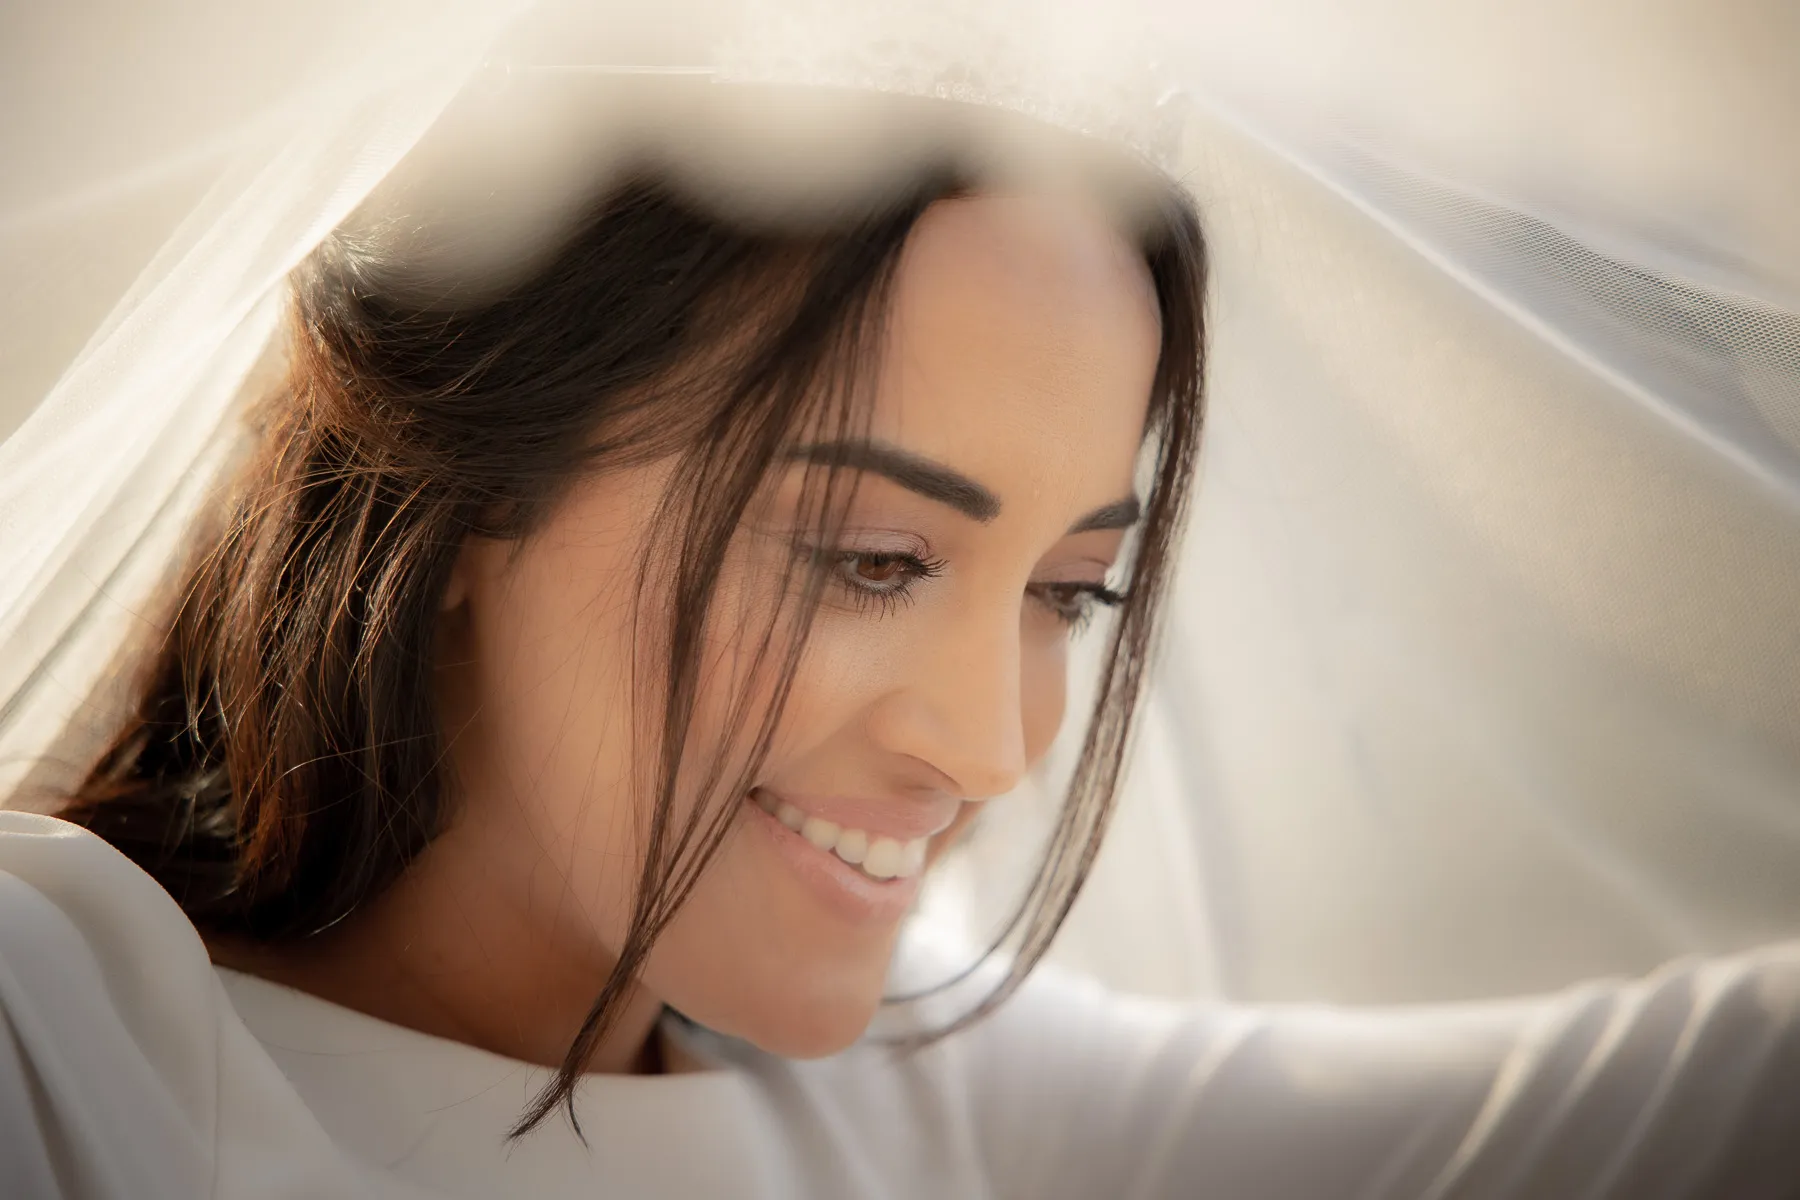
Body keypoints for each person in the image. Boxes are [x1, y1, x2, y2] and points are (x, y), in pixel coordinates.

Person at [4, 72, 1800, 1200]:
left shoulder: (938, 1105)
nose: (995, 745)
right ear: (483, 474)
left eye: (1063, 591)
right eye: (873, 558)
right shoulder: (64, 1048)